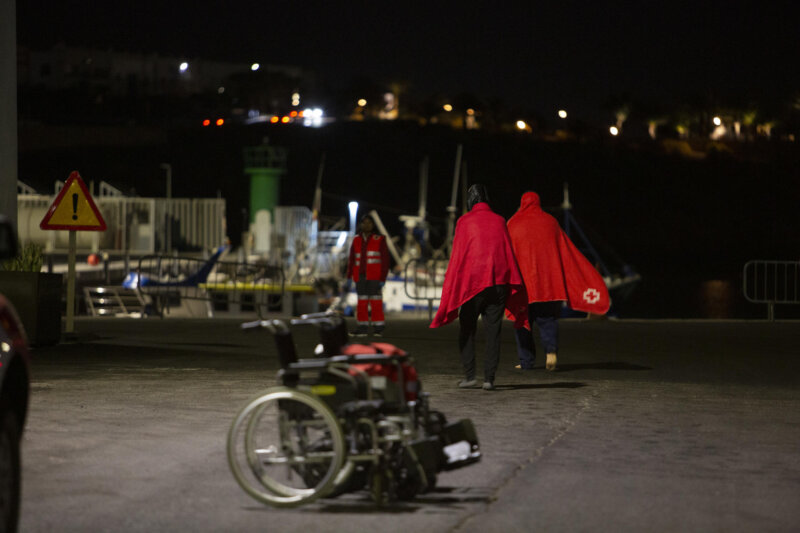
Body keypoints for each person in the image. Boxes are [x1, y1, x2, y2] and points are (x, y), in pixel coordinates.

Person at [430, 184, 526, 391]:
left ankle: (470, 376)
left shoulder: (464, 221)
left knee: (467, 329)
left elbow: (458, 256)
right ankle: (489, 379)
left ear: (470, 201)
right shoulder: (500, 220)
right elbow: (506, 251)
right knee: (493, 333)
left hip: (473, 286)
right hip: (498, 284)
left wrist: (452, 285)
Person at [506, 191, 610, 371]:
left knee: (522, 322)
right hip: (549, 285)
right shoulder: (551, 222)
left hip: (523, 285)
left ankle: (526, 361)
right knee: (548, 319)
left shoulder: (513, 223)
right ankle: (551, 351)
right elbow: (566, 251)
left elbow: (506, 254)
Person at [347, 214, 391, 336]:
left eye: (369, 223)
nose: (366, 225)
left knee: (376, 303)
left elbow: (385, 261)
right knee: (361, 303)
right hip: (360, 277)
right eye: (364, 223)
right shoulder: (356, 239)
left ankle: (379, 329)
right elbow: (351, 260)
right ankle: (362, 328)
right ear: (361, 224)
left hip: (375, 277)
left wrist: (382, 279)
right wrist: (349, 277)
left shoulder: (380, 239)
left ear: (373, 225)